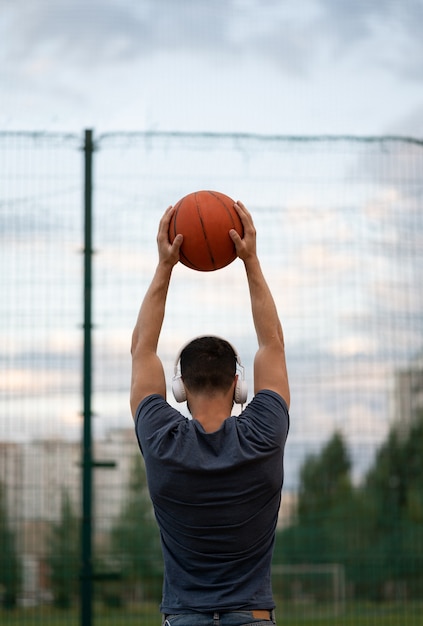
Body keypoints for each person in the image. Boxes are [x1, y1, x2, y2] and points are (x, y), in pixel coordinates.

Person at [130, 201, 290, 626]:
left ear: (179, 389)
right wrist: (250, 260)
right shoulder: (264, 433)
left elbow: (142, 349)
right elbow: (272, 344)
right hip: (252, 617)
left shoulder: (161, 441)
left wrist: (166, 265)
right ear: (239, 386)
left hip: (183, 618)